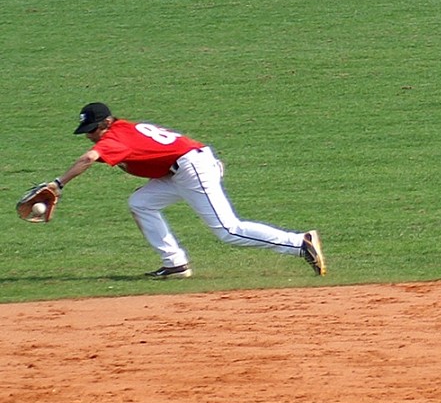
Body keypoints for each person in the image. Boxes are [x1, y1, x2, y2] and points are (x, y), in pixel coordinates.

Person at [50, 102, 326, 279]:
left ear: (107, 123)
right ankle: (175, 264)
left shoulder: (116, 136)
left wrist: (58, 183)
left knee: (228, 230)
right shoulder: (124, 129)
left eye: (93, 130)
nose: (90, 135)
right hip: (185, 168)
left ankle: (299, 244)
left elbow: (89, 158)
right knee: (141, 202)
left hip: (191, 169)